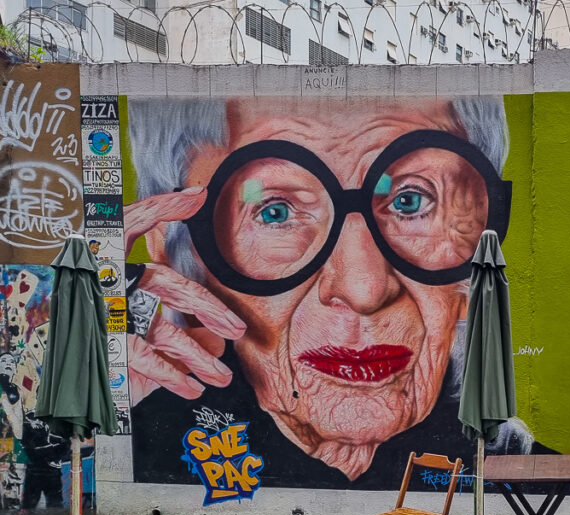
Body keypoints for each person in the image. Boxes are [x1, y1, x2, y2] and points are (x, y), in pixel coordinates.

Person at [126, 97, 546, 491]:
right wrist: (114, 398)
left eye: (411, 201)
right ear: (174, 250)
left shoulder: (537, 484)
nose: (364, 290)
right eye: (275, 212)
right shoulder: (141, 445)